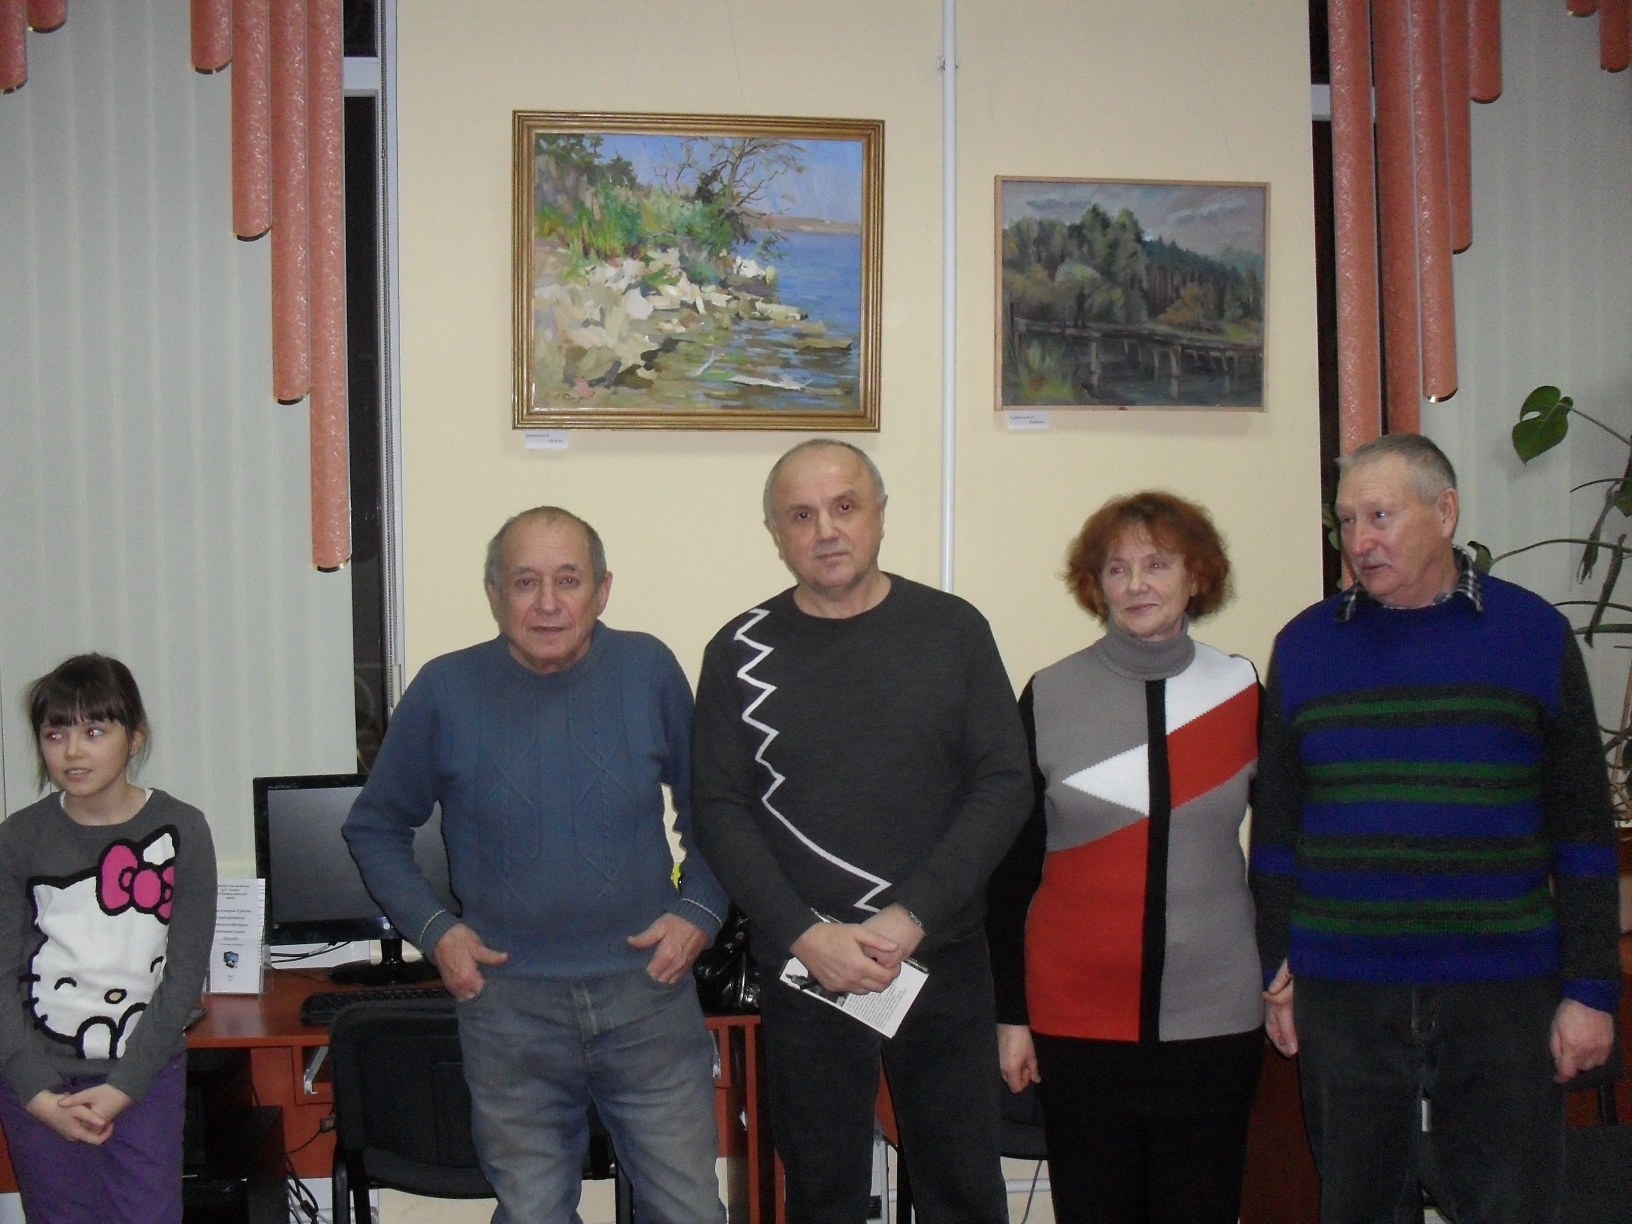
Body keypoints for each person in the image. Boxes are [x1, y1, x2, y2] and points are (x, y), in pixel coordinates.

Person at [1249, 433, 1622, 1224]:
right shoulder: (1305, 647)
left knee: (1511, 1205)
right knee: (1359, 1205)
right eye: (1347, 521)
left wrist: (1590, 989)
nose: (1359, 541)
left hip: (1503, 986)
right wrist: (1276, 964)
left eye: (1380, 516)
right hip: (1345, 987)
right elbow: (1278, 829)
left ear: (1445, 512)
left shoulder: (1533, 636)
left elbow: (1584, 829)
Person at [343, 506, 729, 1224]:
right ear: (494, 593)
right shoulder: (445, 689)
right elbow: (374, 825)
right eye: (525, 582)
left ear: (603, 590)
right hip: (508, 1006)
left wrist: (700, 911)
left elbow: (715, 806)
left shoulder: (648, 669)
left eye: (568, 580)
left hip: (646, 993)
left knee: (690, 1212)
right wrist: (436, 932)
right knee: (533, 1215)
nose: (547, 603)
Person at [691, 439, 1033, 1224]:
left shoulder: (953, 630)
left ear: (879, 513)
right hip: (806, 968)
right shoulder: (738, 650)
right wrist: (806, 934)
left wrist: (912, 916)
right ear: (777, 533)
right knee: (821, 1194)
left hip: (940, 957)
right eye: (800, 515)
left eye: (844, 507)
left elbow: (1005, 783)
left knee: (965, 1191)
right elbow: (719, 808)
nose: (826, 531)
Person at [985, 492, 1263, 1224]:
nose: (1136, 584)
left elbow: (1284, 848)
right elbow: (1011, 873)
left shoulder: (1240, 689)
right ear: (1096, 583)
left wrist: (1285, 971)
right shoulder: (1051, 693)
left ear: (1196, 576)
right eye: (1117, 568)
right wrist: (1011, 1015)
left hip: (1216, 1022)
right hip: (1077, 1023)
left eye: (1157, 564)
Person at [0, 654, 217, 1224]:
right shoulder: (17, 838)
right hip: (39, 1082)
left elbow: (183, 977)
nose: (73, 751)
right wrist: (36, 1093)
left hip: (144, 1075)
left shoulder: (183, 828)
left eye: (94, 731)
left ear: (135, 737)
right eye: (55, 734)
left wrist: (127, 1086)